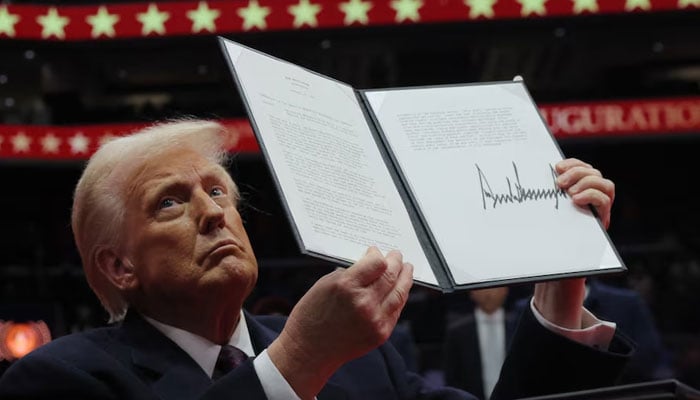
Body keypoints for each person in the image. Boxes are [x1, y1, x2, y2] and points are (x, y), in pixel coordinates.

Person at [0, 120, 632, 399]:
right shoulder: (57, 380)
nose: (213, 213)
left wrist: (560, 292)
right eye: (170, 202)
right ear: (118, 268)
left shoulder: (363, 359)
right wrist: (299, 360)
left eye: (218, 191)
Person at [444, 287, 518, 400]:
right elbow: (452, 377)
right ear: (472, 292)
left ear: (505, 290)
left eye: (494, 287)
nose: (489, 293)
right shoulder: (458, 332)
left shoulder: (518, 326)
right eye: (483, 287)